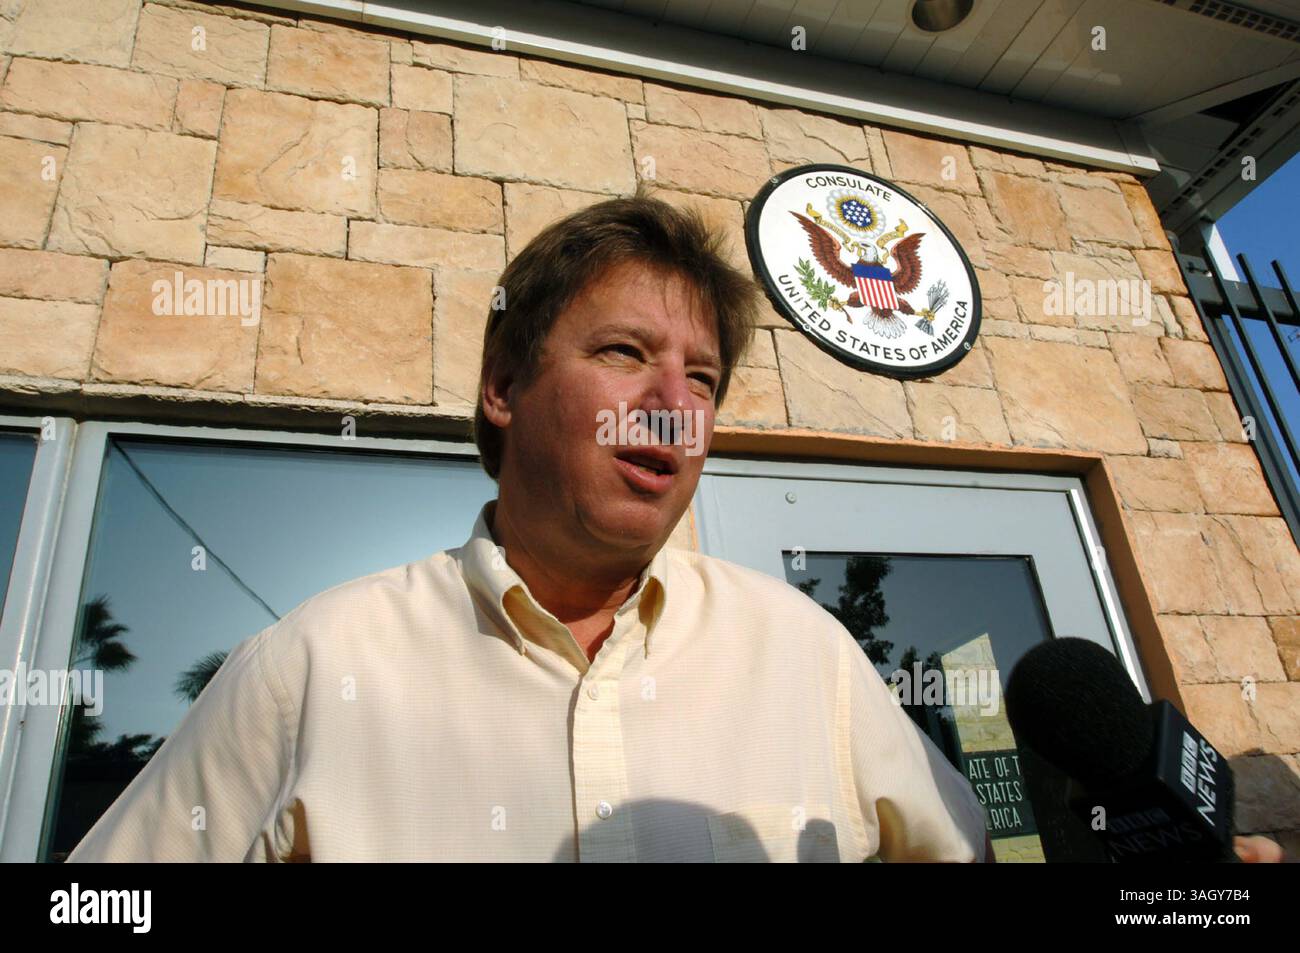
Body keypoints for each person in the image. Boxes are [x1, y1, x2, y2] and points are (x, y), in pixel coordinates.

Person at [69, 187, 1256, 864]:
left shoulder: (807, 657)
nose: (670, 405)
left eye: (700, 377)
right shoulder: (312, 665)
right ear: (504, 385)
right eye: (624, 353)